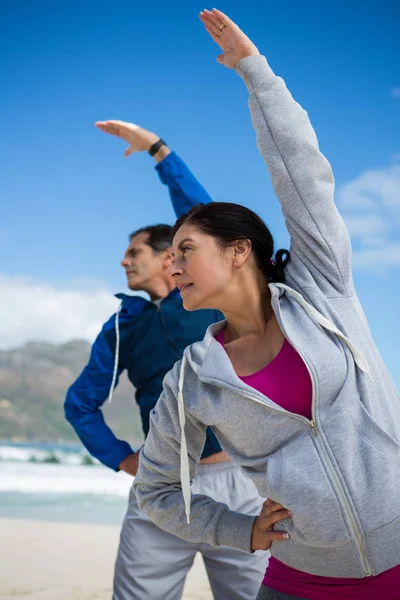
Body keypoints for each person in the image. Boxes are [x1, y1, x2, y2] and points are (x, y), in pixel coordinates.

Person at [133, 9, 400, 600]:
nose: (171, 266)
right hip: (298, 579)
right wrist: (238, 530)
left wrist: (255, 73)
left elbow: (301, 172)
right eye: (169, 255)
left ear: (237, 252)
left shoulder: (321, 290)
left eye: (185, 250)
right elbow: (155, 492)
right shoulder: (193, 379)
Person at [64, 120, 267, 600]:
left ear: (168, 257)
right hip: (162, 485)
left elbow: (205, 217)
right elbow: (80, 405)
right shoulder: (121, 325)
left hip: (241, 478)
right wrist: (123, 459)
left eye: (134, 252)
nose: (124, 261)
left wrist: (157, 150)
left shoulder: (210, 297)